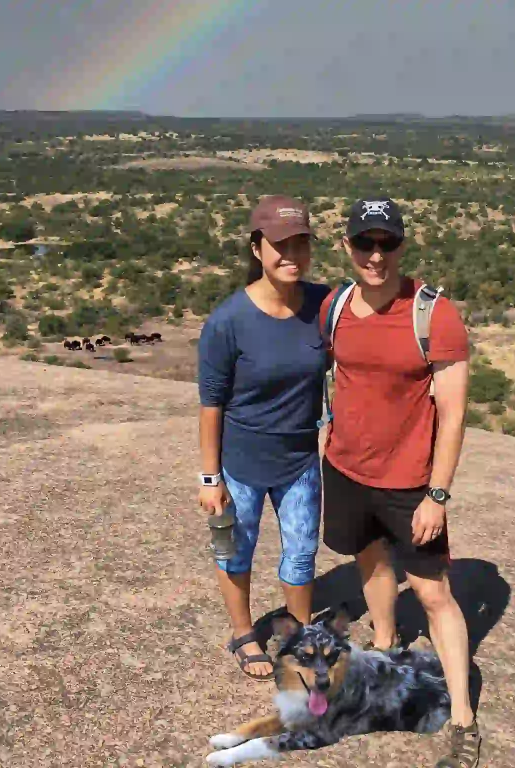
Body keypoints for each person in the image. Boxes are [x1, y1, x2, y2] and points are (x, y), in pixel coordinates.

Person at [319, 198, 481, 767]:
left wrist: (437, 494)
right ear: (348, 248)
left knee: (434, 592)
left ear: (402, 248)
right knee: (370, 562)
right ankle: (384, 646)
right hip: (345, 469)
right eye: (365, 243)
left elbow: (454, 414)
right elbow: (337, 379)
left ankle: (462, 718)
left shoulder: (434, 314)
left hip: (410, 481)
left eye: (387, 243)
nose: (376, 255)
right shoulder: (335, 306)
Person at [197, 195, 330, 681]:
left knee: (301, 551)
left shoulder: (324, 305)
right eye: (279, 244)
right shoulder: (228, 321)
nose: (291, 254)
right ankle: (243, 633)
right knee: (235, 549)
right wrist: (211, 478)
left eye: (300, 243)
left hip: (299, 459)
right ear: (257, 248)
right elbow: (211, 405)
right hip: (241, 462)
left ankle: (298, 635)